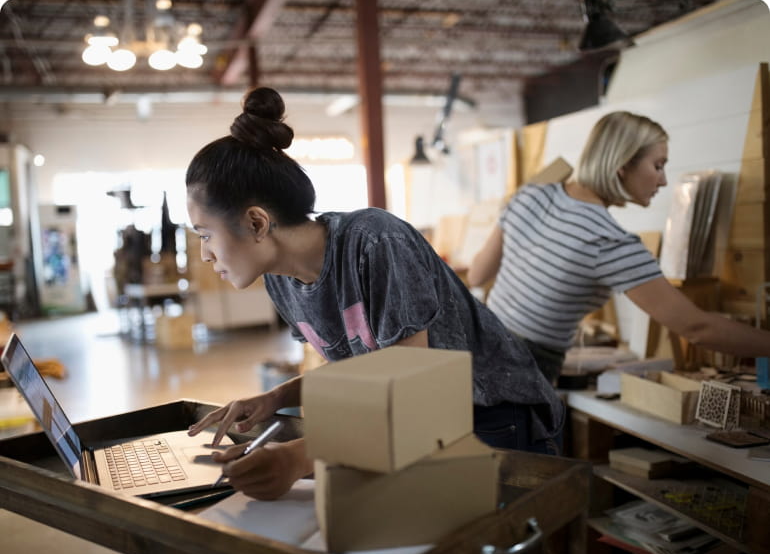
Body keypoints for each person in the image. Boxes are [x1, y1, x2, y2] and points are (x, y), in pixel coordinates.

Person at [185, 86, 564, 501]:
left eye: (205, 235)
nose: (204, 253)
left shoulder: (375, 242)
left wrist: (297, 458)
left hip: (491, 418)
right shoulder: (280, 279)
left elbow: (411, 392)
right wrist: (275, 398)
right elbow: (366, 369)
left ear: (257, 223)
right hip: (423, 425)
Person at [468, 110, 770, 384]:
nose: (663, 181)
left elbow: (478, 274)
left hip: (476, 353)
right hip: (522, 375)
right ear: (624, 164)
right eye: (658, 165)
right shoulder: (607, 241)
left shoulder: (531, 194)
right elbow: (697, 328)